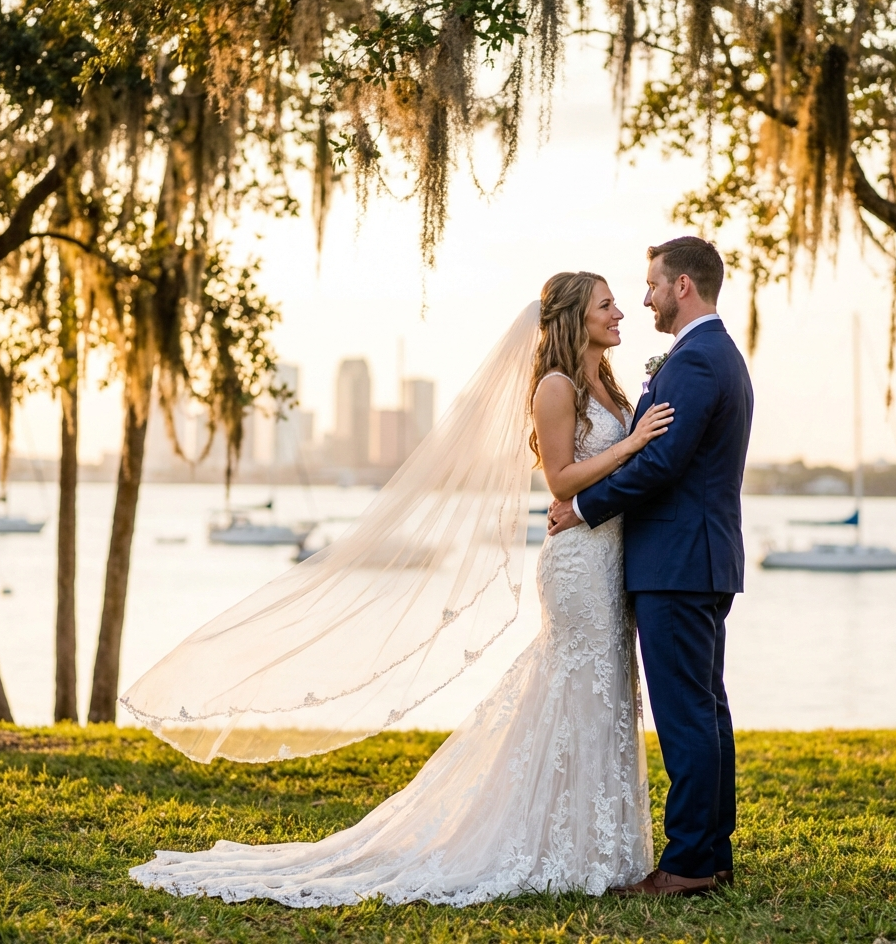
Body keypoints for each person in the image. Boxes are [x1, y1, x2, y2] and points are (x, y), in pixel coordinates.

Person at [127, 271, 674, 907]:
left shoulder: (606, 384)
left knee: (606, 689)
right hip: (577, 562)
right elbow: (559, 480)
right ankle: (551, 843)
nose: (620, 313)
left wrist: (634, 439)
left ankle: (597, 844)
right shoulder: (555, 388)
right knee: (579, 686)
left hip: (611, 558)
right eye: (608, 305)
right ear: (578, 316)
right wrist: (634, 440)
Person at [548, 237, 754, 897]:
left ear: (683, 286)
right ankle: (711, 853)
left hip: (677, 562)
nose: (644, 300)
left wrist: (583, 506)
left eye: (652, 286)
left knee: (687, 715)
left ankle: (691, 863)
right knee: (706, 711)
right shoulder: (713, 355)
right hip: (698, 559)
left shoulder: (696, 361)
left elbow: (663, 464)